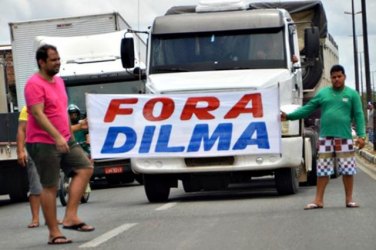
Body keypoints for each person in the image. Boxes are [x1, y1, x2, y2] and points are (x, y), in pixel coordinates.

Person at [24, 44, 94, 245]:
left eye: (58, 59)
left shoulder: (59, 82)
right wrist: (56, 136)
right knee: (50, 186)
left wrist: (71, 130)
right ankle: (54, 233)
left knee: (85, 168)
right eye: (53, 60)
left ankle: (70, 216)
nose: (58, 62)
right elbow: (38, 114)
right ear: (42, 62)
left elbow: (60, 111)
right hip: (43, 142)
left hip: (65, 138)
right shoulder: (34, 84)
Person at [281, 64, 366, 210]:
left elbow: (359, 115)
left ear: (344, 77)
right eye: (333, 77)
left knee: (347, 170)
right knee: (323, 170)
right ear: (331, 79)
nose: (336, 79)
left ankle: (349, 200)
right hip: (325, 138)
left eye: (339, 76)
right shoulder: (323, 94)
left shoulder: (352, 95)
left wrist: (362, 136)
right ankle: (318, 200)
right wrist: (289, 116)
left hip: (344, 137)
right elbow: (307, 109)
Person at [16, 106, 42, 228]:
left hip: (53, 149)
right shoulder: (27, 108)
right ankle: (35, 218)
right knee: (35, 184)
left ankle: (51, 217)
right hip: (35, 149)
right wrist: (20, 151)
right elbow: (21, 129)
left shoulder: (53, 105)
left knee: (51, 186)